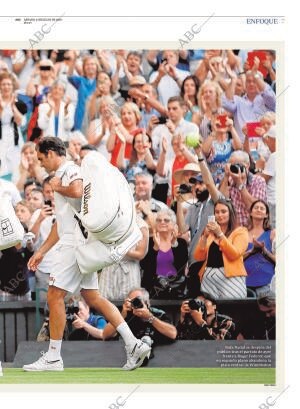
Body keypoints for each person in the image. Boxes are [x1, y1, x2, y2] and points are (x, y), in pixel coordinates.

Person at [23, 137, 151, 372]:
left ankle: (53, 357)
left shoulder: (69, 170)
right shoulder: (66, 173)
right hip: (79, 242)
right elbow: (61, 225)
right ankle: (133, 344)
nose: (41, 164)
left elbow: (78, 189)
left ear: (51, 153)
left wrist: (56, 186)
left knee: (54, 296)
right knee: (93, 298)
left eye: (41, 159)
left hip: (75, 246)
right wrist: (41, 251)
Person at [102, 287, 177, 365]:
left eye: (138, 300)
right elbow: (105, 335)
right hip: (126, 358)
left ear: (147, 303)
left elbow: (173, 334)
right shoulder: (126, 315)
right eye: (132, 301)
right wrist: (122, 315)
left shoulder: (157, 314)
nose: (135, 304)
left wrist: (150, 318)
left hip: (158, 359)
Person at [193, 198, 248, 299]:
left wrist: (220, 234)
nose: (220, 215)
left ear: (230, 213)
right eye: (217, 212)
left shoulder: (241, 232)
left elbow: (234, 254)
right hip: (208, 279)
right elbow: (198, 257)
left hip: (231, 279)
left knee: (231, 310)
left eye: (223, 211)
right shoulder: (210, 233)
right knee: (211, 312)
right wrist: (204, 237)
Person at [140, 208, 188, 299]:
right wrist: (155, 248)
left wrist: (173, 243)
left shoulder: (181, 243)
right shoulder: (149, 242)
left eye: (166, 220)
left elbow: (179, 267)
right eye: (159, 220)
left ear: (174, 224)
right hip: (152, 292)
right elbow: (145, 267)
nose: (162, 222)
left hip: (175, 292)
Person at [219, 150, 267, 226]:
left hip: (252, 228)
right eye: (232, 165)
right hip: (234, 230)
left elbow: (253, 207)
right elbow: (221, 202)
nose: (235, 168)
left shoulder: (258, 181)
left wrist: (239, 183)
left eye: (238, 165)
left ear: (247, 165)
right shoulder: (228, 181)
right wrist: (226, 176)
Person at [244, 200, 275, 294]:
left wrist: (264, 251)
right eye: (256, 208)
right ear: (250, 213)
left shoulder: (272, 233)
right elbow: (236, 258)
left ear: (266, 215)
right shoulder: (243, 232)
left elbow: (279, 260)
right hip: (244, 282)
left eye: (262, 208)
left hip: (266, 282)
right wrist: (251, 252)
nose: (259, 210)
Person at [0, 72, 27, 179]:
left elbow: (21, 122)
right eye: (3, 84)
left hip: (14, 136)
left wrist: (13, 107)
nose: (6, 87)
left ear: (12, 87)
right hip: (1, 137)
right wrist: (2, 107)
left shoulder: (18, 102)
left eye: (9, 84)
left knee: (16, 167)